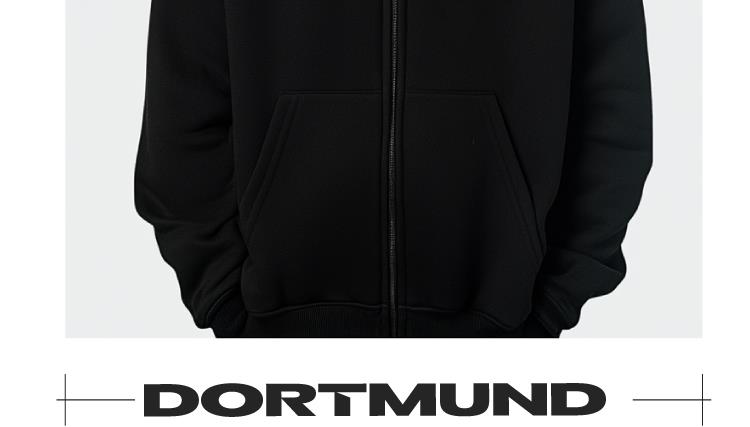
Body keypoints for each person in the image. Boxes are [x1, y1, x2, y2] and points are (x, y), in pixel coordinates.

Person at [136, 0, 652, 338]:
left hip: (502, 342)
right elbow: (183, 99)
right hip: (278, 345)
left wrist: (555, 300)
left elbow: (612, 96)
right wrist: (224, 300)